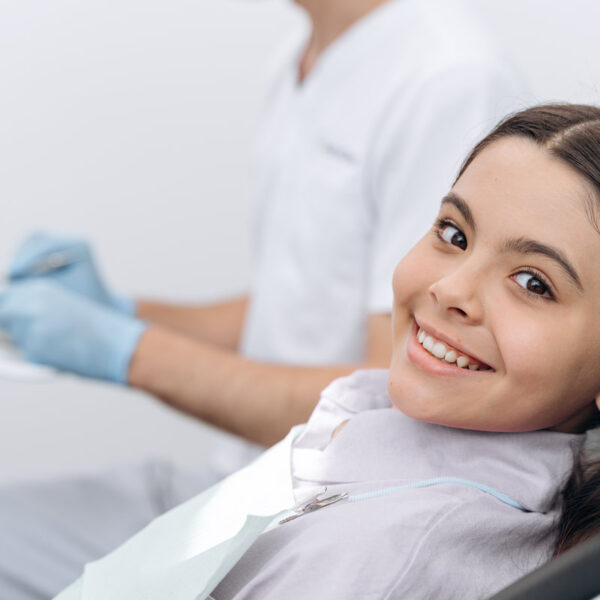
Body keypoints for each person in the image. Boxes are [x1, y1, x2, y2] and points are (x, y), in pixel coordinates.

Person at [0, 0, 527, 598]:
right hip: (232, 483)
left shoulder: (450, 79)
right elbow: (298, 304)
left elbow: (395, 392)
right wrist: (122, 312)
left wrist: (128, 352)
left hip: (308, 511)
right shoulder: (301, 61)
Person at [51, 103, 600, 600]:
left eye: (533, 283)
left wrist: (128, 348)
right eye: (454, 234)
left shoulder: (386, 556)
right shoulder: (376, 427)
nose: (450, 290)